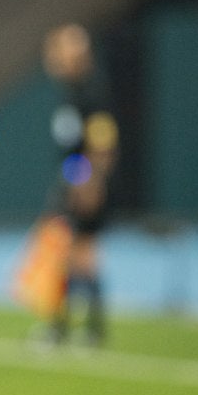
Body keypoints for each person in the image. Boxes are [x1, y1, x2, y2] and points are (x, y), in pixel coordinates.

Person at [40, 22, 118, 347]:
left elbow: (102, 143)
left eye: (61, 51)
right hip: (73, 180)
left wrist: (90, 182)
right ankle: (72, 328)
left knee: (81, 255)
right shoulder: (70, 91)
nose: (55, 58)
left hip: (85, 185)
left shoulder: (91, 91)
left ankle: (85, 329)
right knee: (69, 255)